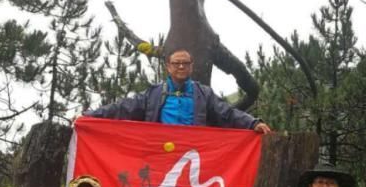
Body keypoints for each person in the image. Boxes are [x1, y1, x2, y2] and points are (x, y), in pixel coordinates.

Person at [87, 48, 271, 133]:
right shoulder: (153, 94)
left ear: (191, 67)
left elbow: (227, 113)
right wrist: (91, 115)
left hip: (194, 152)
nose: (181, 66)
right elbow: (123, 108)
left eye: (185, 63)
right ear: (168, 67)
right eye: (176, 63)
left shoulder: (203, 93)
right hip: (160, 152)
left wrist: (253, 123)